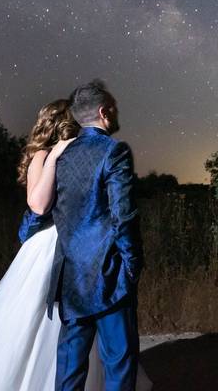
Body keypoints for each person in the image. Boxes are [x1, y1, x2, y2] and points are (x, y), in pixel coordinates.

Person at [0, 98, 151, 391]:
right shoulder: (43, 155)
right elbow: (38, 204)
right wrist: (54, 158)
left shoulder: (82, 155)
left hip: (78, 245)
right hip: (48, 248)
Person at [49, 80, 144, 391]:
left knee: (70, 363)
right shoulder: (114, 152)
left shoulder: (61, 155)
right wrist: (132, 264)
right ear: (104, 112)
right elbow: (123, 215)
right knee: (118, 358)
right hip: (109, 274)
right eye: (113, 109)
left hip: (71, 276)